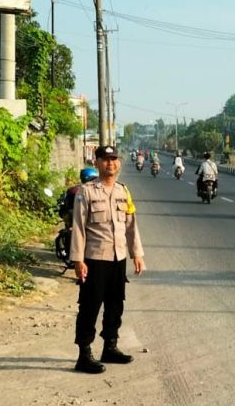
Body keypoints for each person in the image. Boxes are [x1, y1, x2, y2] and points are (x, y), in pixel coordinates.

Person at [69, 145, 146, 374]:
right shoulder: (87, 192)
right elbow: (78, 228)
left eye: (113, 159)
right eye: (105, 159)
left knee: (115, 305)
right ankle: (84, 354)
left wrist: (137, 254)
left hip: (118, 258)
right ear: (97, 162)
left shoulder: (124, 191)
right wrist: (77, 261)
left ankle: (110, 347)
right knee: (90, 306)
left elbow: (131, 225)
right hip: (94, 258)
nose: (110, 163)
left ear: (118, 163)